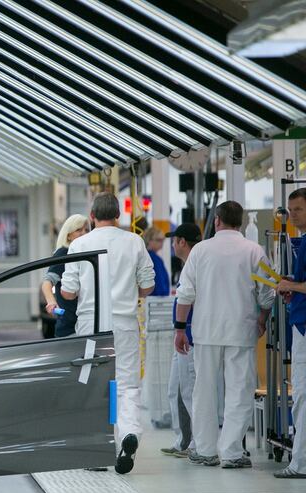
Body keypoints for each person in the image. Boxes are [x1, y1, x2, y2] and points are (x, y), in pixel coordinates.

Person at [60, 194, 155, 474]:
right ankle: (128, 434)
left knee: (92, 383)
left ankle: (97, 450)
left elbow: (69, 291)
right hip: (124, 323)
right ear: (118, 215)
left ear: (92, 216)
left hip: (90, 325)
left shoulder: (79, 244)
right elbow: (148, 285)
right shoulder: (134, 242)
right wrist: (128, 291)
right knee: (125, 384)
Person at [175, 201, 273, 469]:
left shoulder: (201, 251)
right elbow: (267, 293)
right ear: (240, 221)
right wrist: (262, 319)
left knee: (204, 390)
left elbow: (185, 294)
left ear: (216, 220)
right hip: (241, 329)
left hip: (205, 330)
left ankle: (205, 450)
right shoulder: (254, 251)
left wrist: (179, 328)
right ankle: (231, 452)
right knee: (239, 391)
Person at [160, 223, 202, 458]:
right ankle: (183, 439)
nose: (173, 245)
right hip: (184, 335)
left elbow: (190, 300)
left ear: (182, 242)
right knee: (174, 389)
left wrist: (182, 329)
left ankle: (198, 441)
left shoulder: (195, 264)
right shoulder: (189, 265)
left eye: (174, 241)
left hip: (190, 336)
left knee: (189, 390)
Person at [274, 188, 306, 478]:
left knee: (303, 395)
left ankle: (301, 463)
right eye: (290, 209)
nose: (292, 215)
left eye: (297, 209)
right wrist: (292, 292)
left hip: (304, 328)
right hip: (300, 319)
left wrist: (291, 287)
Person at [40, 214, 89, 338]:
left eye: (87, 230)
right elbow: (47, 283)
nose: (84, 233)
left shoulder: (88, 253)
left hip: (85, 324)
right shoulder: (64, 253)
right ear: (68, 235)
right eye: (78, 230)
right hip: (69, 327)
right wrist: (51, 302)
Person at [143, 227, 171, 296]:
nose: (162, 243)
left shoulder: (147, 257)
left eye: (163, 240)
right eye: (159, 240)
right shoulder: (153, 258)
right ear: (149, 240)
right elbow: (160, 284)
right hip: (156, 299)